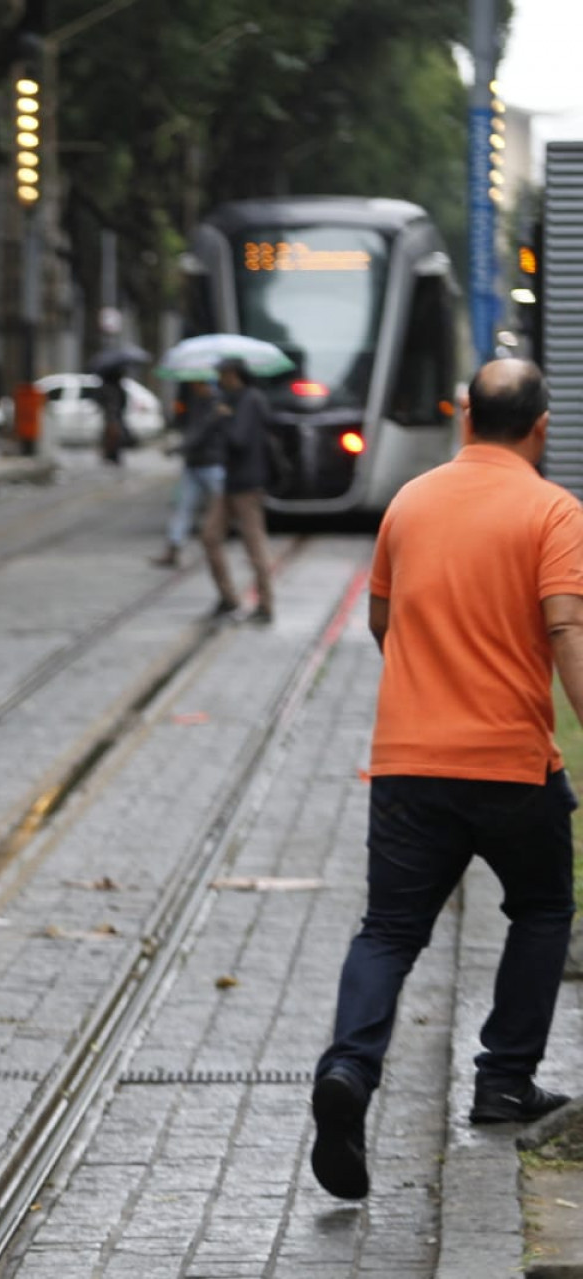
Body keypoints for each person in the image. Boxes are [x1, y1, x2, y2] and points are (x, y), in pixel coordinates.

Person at [310, 359, 582, 1202]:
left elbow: (383, 621)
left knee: (388, 930)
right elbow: (565, 629)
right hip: (509, 761)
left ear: (466, 416)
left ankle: (350, 1070)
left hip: (407, 764)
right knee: (541, 907)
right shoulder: (552, 509)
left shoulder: (411, 501)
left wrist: (431, 697)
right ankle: (503, 1078)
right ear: (538, 427)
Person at [199, 359, 274, 622]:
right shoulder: (232, 399)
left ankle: (265, 605)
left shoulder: (250, 400)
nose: (219, 380)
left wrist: (222, 418)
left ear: (233, 374)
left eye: (222, 375)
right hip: (230, 482)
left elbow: (238, 439)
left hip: (248, 484)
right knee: (209, 536)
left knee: (254, 545)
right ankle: (228, 598)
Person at [150, 380, 224, 568]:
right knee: (183, 507)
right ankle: (173, 548)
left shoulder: (217, 404)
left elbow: (201, 432)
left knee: (222, 507)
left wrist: (177, 448)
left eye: (198, 384)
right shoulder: (195, 402)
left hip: (212, 464)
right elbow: (187, 426)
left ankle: (216, 544)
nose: (194, 388)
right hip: (194, 464)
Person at [97, 366, 130, 466]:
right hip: (114, 416)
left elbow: (99, 400)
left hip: (111, 416)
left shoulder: (106, 387)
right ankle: (112, 456)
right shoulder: (116, 387)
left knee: (111, 436)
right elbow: (123, 402)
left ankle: (110, 455)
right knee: (114, 436)